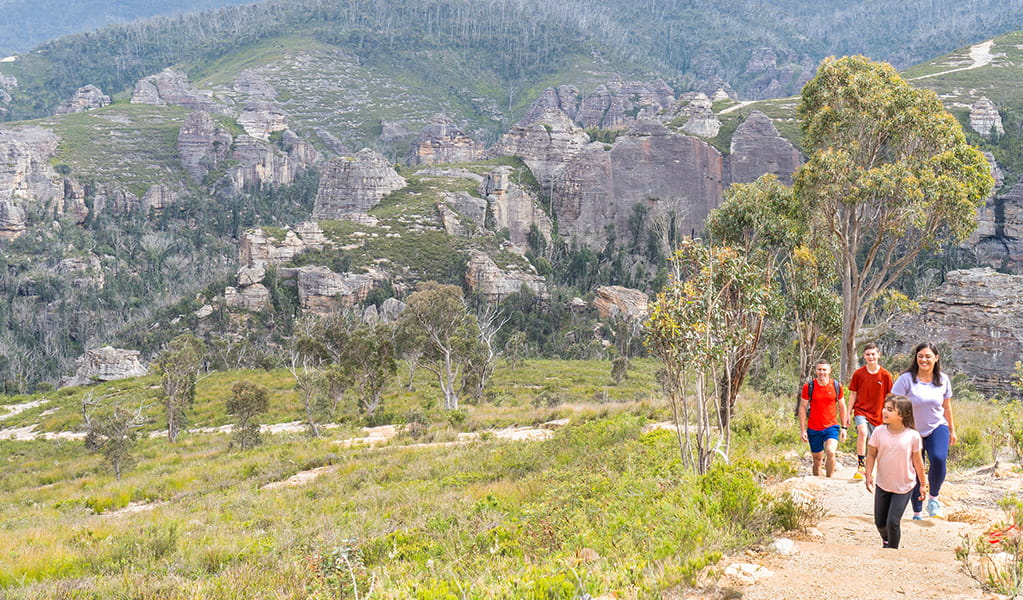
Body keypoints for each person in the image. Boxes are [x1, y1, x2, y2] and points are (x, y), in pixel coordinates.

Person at [891, 342, 957, 519]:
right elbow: (892, 402)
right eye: (920, 356)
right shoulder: (906, 379)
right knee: (915, 468)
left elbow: (947, 406)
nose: (924, 360)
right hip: (912, 430)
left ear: (936, 358)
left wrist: (952, 429)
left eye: (928, 356)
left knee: (938, 458)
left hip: (937, 426)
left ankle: (934, 499)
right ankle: (917, 510)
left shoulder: (943, 380)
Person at [864, 394, 927, 549]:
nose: (884, 412)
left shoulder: (913, 436)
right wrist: (868, 474)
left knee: (893, 522)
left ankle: (892, 551)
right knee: (880, 522)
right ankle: (886, 540)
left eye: (890, 410)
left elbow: (918, 463)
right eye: (884, 408)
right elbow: (871, 454)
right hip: (883, 484)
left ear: (902, 415)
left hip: (904, 486)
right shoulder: (879, 432)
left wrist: (923, 484)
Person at [848, 343, 894, 480]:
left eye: (873, 354)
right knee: (862, 432)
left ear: (878, 355)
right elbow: (853, 395)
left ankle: (879, 469)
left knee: (876, 442)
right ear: (864, 356)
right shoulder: (858, 374)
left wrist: (889, 414)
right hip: (861, 410)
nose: (871, 357)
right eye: (868, 354)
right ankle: (861, 467)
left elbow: (889, 396)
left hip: (879, 414)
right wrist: (848, 412)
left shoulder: (885, 375)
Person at [799, 359, 848, 477]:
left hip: (831, 426)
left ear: (829, 371)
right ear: (816, 371)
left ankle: (829, 479)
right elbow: (802, 408)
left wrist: (844, 427)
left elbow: (842, 406)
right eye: (819, 369)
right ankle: (819, 482)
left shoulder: (836, 386)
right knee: (817, 460)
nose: (822, 372)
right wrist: (803, 430)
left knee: (831, 452)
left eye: (824, 370)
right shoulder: (809, 387)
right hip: (814, 428)